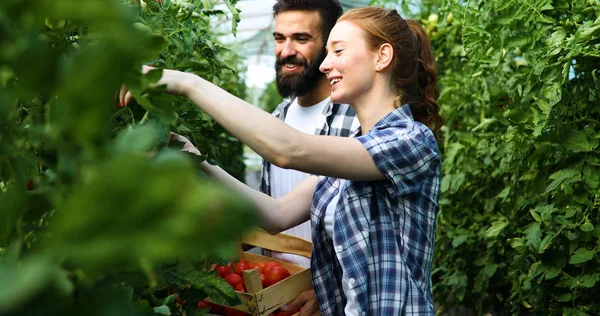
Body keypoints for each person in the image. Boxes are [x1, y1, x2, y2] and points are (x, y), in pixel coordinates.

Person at [120, 6, 443, 315]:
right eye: (327, 52)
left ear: (382, 56)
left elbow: (288, 150)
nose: (324, 65)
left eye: (338, 51)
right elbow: (276, 214)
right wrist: (194, 157)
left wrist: (187, 83)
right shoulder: (352, 152)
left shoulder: (409, 141)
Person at [261, 0, 359, 269]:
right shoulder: (276, 118)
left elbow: (367, 228)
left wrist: (324, 290)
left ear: (329, 46)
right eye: (279, 38)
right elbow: (273, 211)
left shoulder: (356, 120)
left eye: (301, 38)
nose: (286, 51)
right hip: (277, 292)